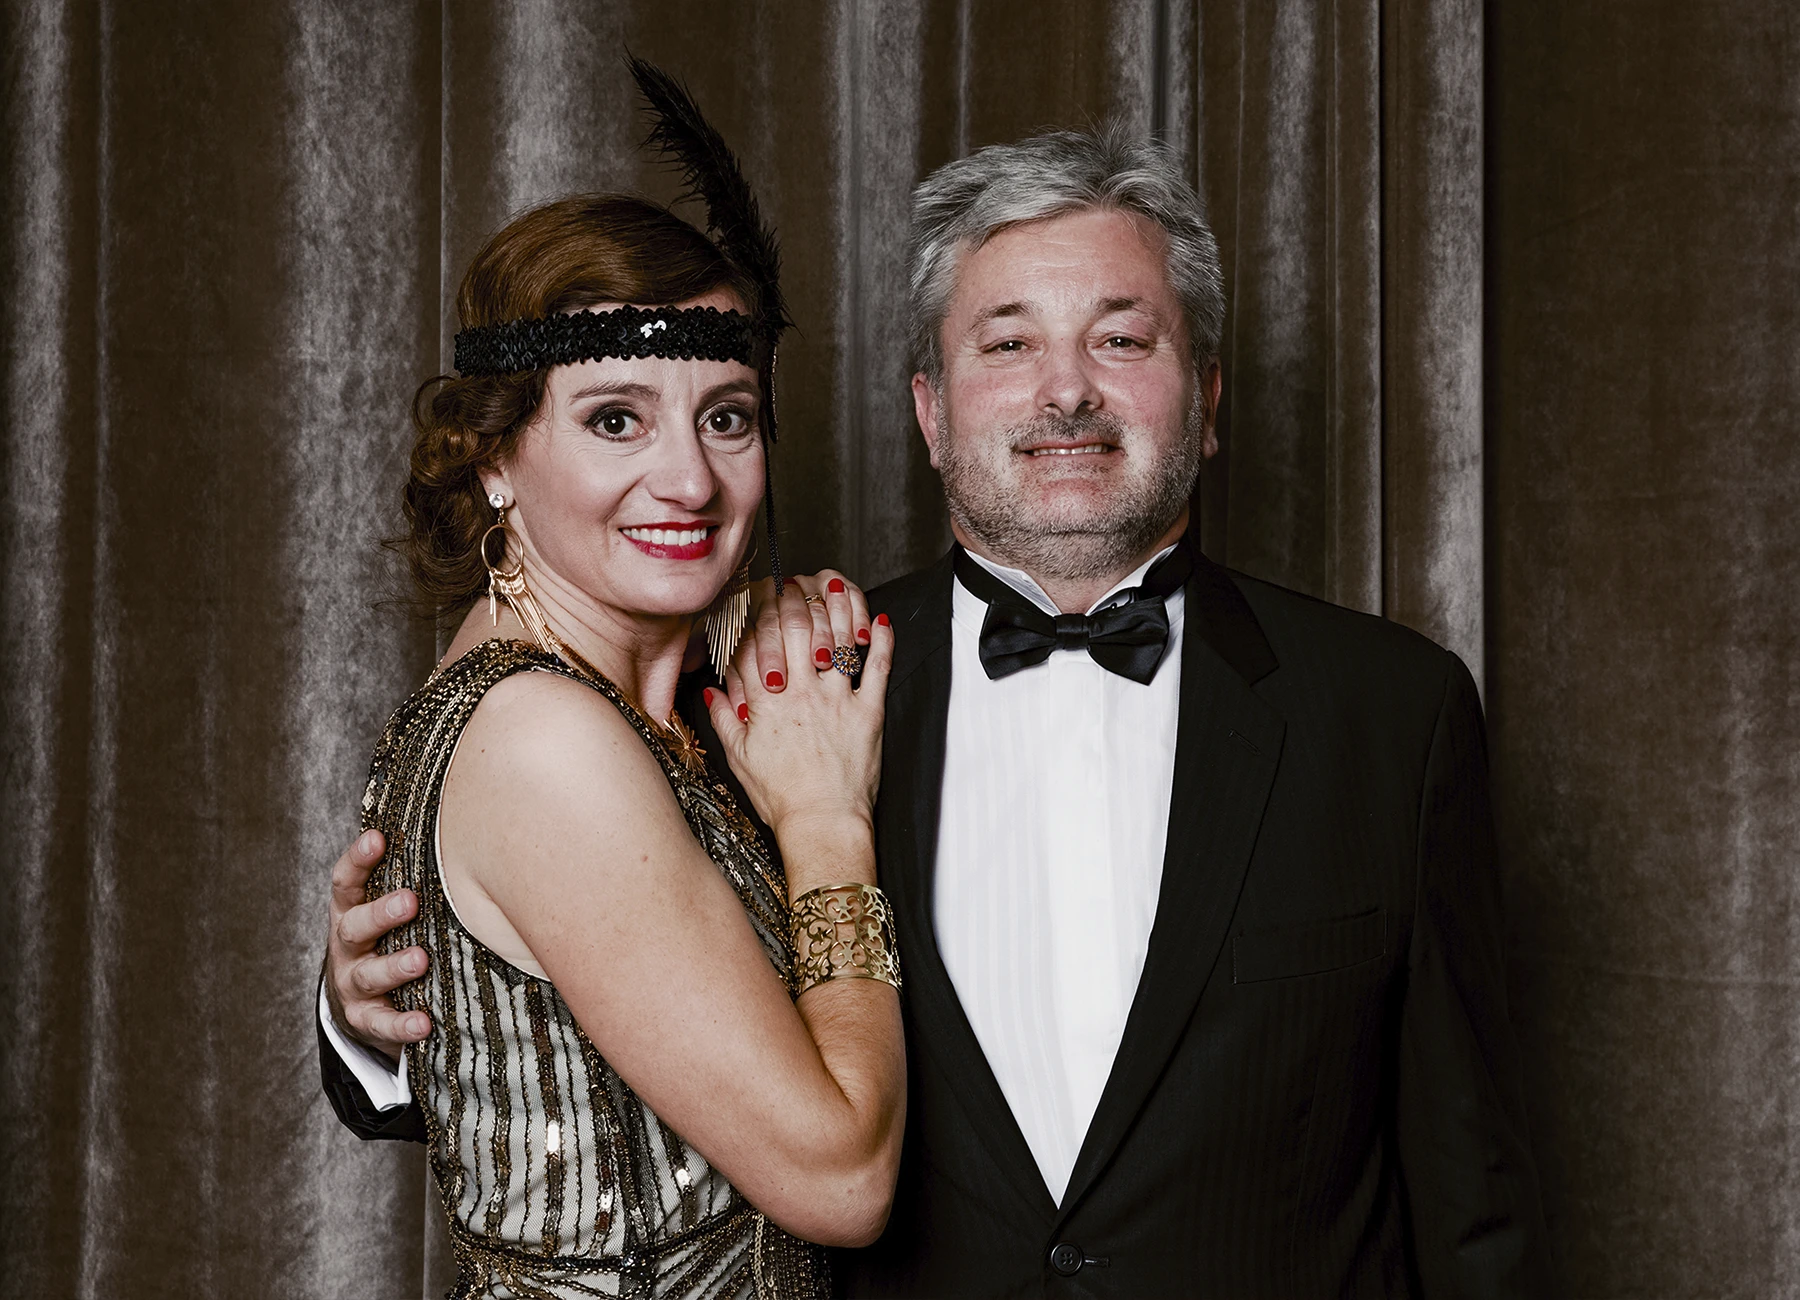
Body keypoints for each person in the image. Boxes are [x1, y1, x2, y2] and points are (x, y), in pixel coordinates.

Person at [324, 123, 1553, 1297]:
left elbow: (1473, 1196)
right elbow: (553, 1028)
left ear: (1210, 395)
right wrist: (375, 1013)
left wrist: (372, 999)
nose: (1065, 392)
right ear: (927, 406)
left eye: (1123, 340)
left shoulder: (1395, 715)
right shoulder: (767, 690)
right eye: (1008, 344)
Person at [331, 63, 907, 1298]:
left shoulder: (655, 682)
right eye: (613, 420)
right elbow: (844, 1179)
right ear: (493, 456)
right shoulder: (542, 736)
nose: (689, 482)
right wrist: (824, 819)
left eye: (727, 417)